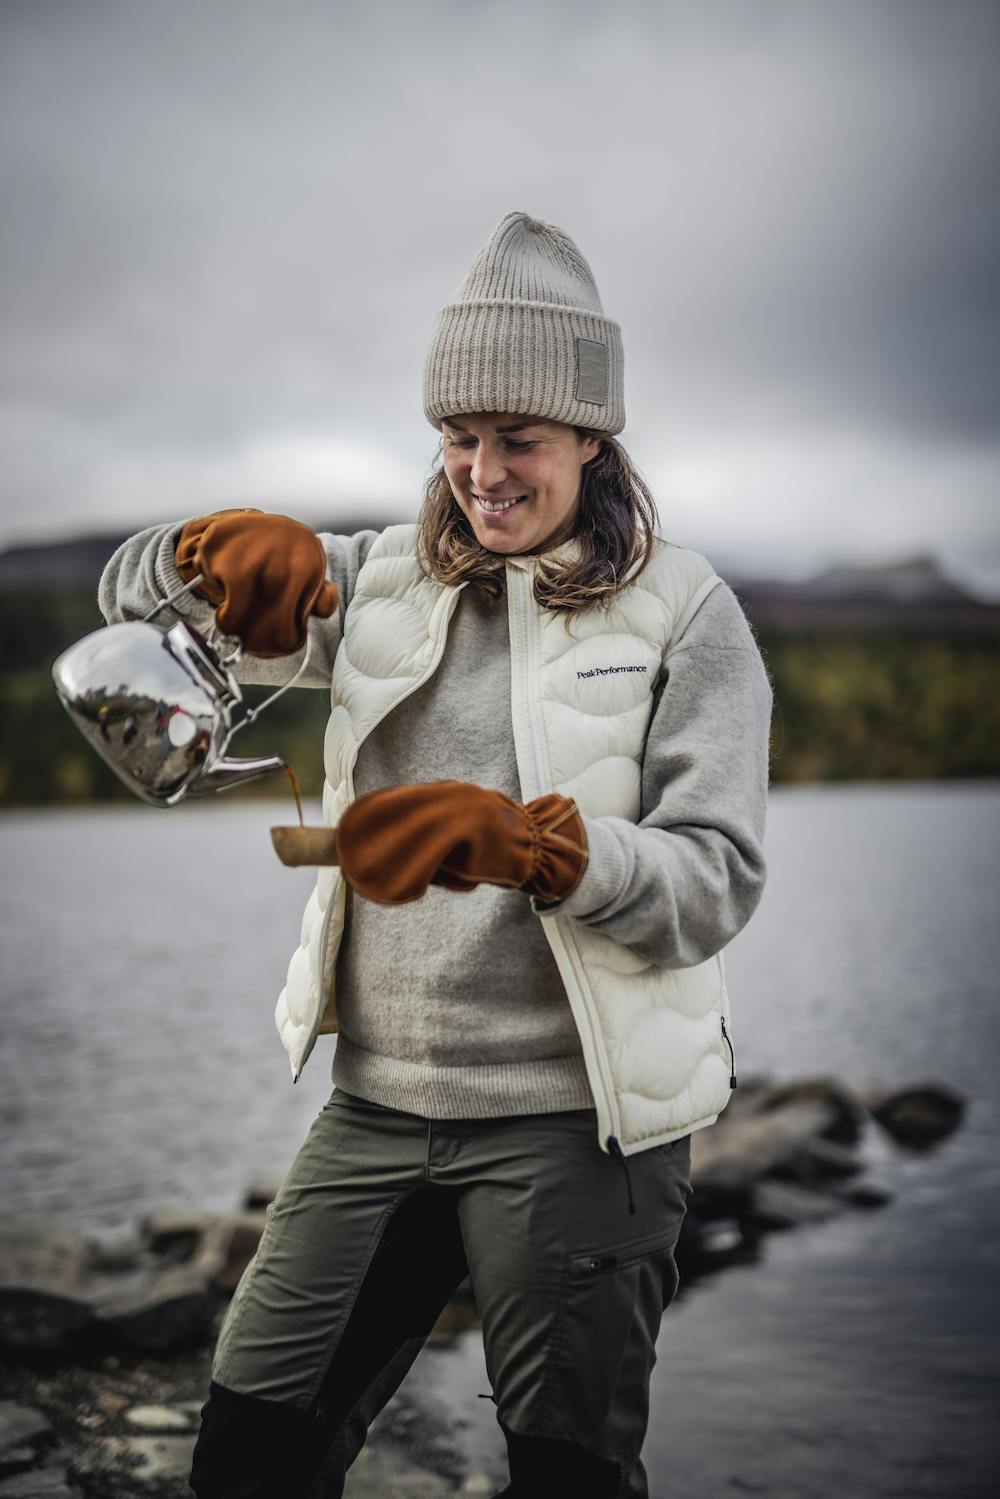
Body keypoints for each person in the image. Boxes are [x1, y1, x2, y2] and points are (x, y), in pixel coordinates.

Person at [99, 211, 773, 1499]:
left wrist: (540, 855)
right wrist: (194, 552)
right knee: (248, 1454)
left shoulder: (687, 612)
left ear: (591, 435)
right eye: (457, 440)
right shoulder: (376, 583)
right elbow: (133, 610)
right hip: (377, 1107)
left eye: (517, 439)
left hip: (585, 1127)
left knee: (568, 1477)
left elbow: (718, 878)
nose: (483, 471)